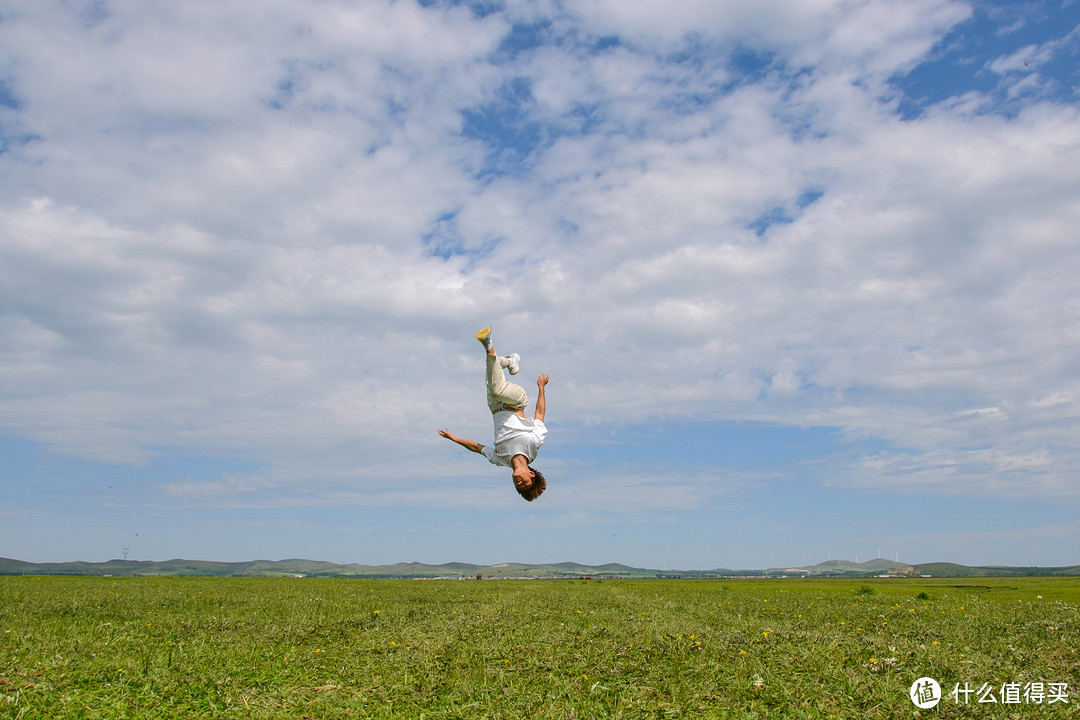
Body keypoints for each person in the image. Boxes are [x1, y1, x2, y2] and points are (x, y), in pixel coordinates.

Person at [438, 327, 549, 501]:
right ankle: (488, 343)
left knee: (492, 373)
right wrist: (541, 388)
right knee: (497, 388)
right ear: (531, 474)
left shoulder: (500, 459)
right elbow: (540, 415)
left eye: (518, 487)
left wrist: (454, 438)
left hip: (495, 406)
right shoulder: (533, 445)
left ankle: (509, 362)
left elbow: (476, 447)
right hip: (516, 401)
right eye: (525, 484)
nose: (519, 483)